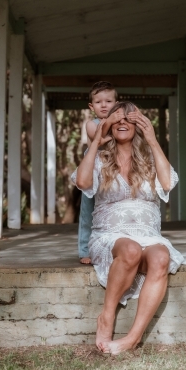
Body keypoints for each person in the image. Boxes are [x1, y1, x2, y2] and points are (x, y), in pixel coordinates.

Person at [72, 102, 186, 354]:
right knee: (131, 250)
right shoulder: (101, 158)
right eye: (116, 119)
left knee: (161, 256)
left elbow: (167, 183)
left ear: (138, 125)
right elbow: (82, 181)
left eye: (129, 119)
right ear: (108, 125)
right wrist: (95, 142)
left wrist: (153, 140)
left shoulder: (149, 158)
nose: (122, 123)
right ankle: (107, 316)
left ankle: (132, 338)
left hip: (148, 235)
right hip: (110, 236)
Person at [78, 81, 124, 264]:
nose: (104, 105)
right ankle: (84, 251)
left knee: (114, 209)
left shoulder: (119, 123)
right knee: (88, 210)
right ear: (91, 106)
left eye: (108, 101)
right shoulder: (92, 124)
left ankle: (113, 246)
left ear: (116, 103)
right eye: (98, 102)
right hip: (93, 170)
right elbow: (99, 136)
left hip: (114, 170)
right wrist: (111, 121)